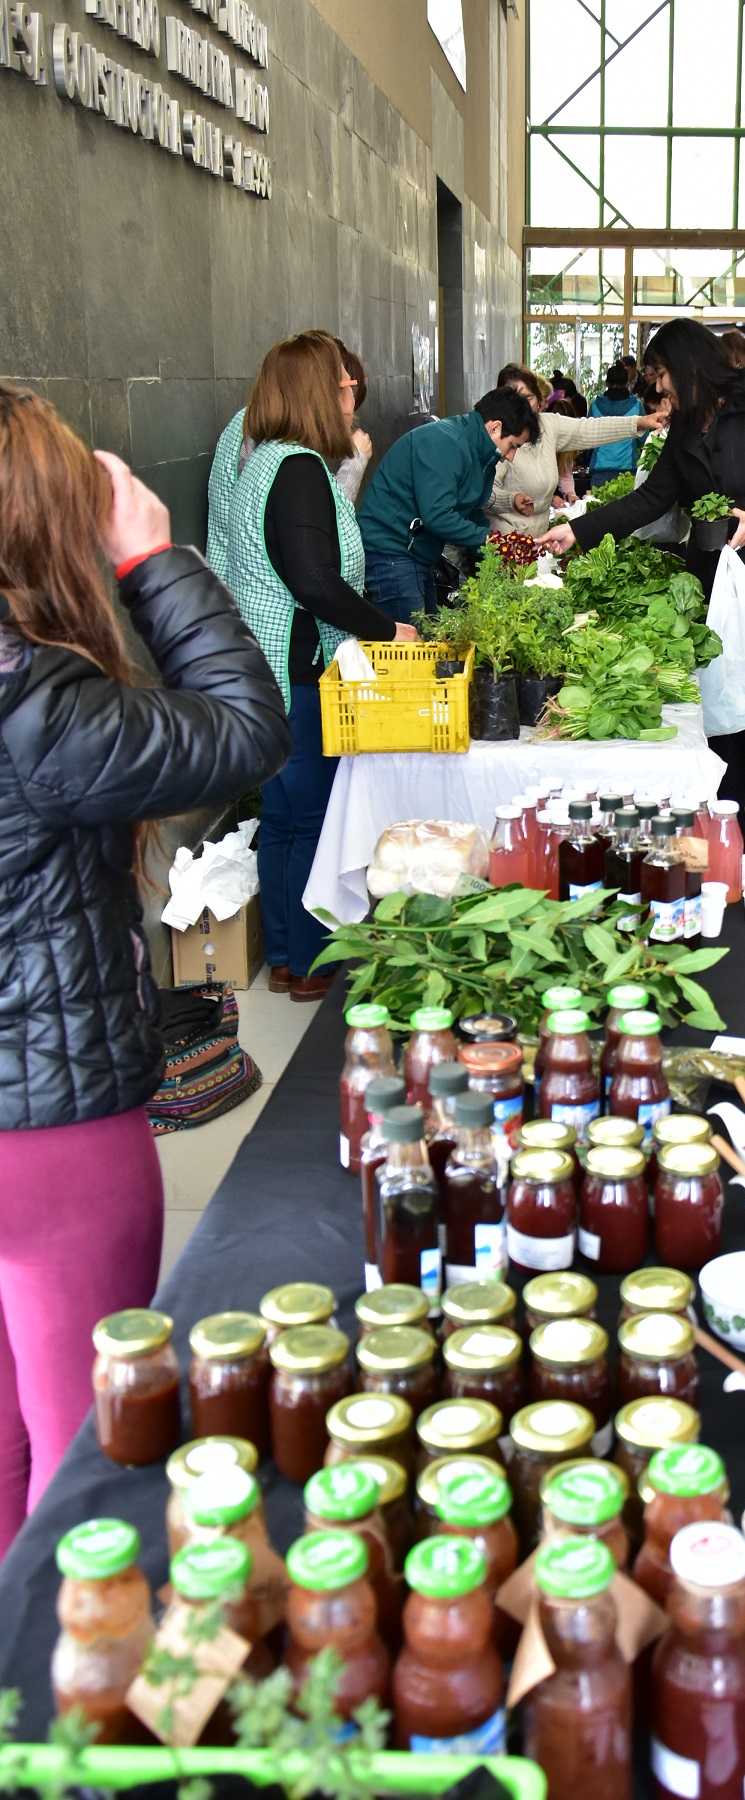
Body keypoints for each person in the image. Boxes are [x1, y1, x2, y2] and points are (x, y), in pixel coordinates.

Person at [0, 387, 289, 1554]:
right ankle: (71, 1703)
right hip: (49, 1128)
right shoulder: (35, 701)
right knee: (90, 1453)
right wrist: (155, 561)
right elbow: (241, 727)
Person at [536, 319, 745, 864]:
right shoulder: (688, 427)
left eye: (662, 375)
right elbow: (651, 499)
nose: (658, 389)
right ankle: (735, 834)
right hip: (713, 580)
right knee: (719, 709)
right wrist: (578, 530)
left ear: (689, 366)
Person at [227, 332, 407, 1000]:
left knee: (282, 819)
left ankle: (282, 955)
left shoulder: (264, 460)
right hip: (296, 671)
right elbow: (313, 580)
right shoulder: (299, 468)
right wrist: (388, 628)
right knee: (309, 817)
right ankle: (310, 965)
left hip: (266, 670)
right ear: (316, 391)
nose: (350, 392)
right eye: (342, 383)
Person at [357, 386, 538, 622]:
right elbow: (438, 515)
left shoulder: (482, 456)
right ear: (495, 427)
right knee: (410, 648)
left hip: (417, 554)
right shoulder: (445, 442)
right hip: (391, 554)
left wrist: (496, 556)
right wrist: (489, 540)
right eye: (513, 445)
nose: (511, 456)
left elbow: (472, 514)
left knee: (430, 636)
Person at [206, 334, 372, 584]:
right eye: (344, 392)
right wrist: (354, 463)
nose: (347, 415)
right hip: (249, 592)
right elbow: (318, 525)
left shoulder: (263, 427)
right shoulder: (281, 449)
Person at [487, 363, 665, 537]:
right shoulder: (496, 436)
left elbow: (590, 428)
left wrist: (640, 422)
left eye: (528, 398)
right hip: (504, 543)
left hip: (537, 543)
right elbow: (485, 494)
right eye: (514, 398)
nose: (521, 406)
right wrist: (511, 500)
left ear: (539, 400)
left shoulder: (547, 425)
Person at [588, 362, 648, 480]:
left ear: (607, 382)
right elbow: (643, 439)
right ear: (627, 382)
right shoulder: (636, 405)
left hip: (600, 471)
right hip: (628, 471)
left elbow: (588, 437)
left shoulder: (595, 406)